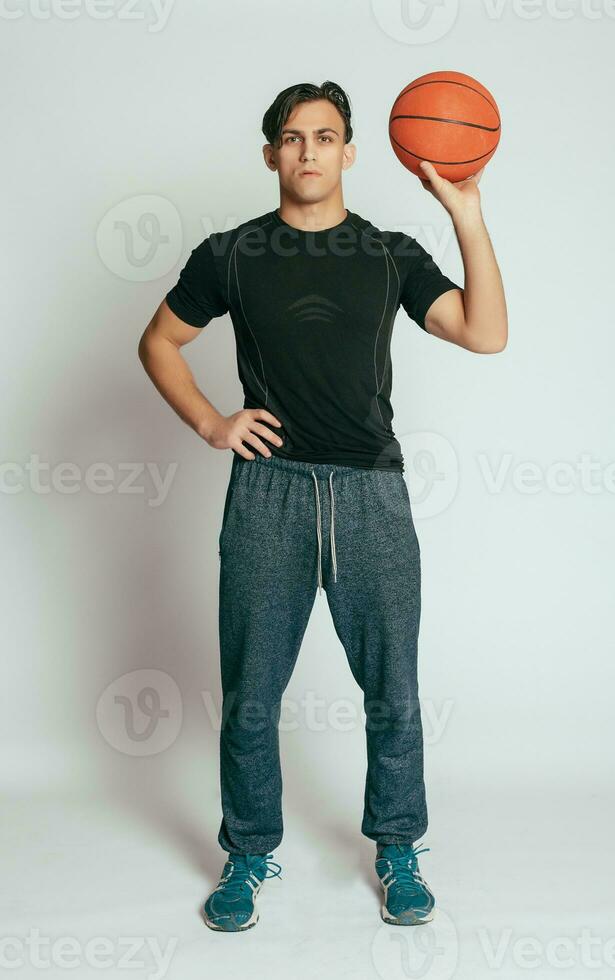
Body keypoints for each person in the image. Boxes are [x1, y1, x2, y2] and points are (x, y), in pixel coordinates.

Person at [137, 80, 508, 933]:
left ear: (350, 152)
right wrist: (209, 422)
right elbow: (158, 341)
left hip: (372, 492)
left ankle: (399, 846)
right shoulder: (231, 253)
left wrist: (468, 214)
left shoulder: (387, 252)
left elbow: (485, 332)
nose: (309, 150)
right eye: (293, 138)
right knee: (252, 691)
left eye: (326, 136)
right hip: (268, 491)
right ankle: (248, 851)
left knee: (392, 689)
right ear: (271, 153)